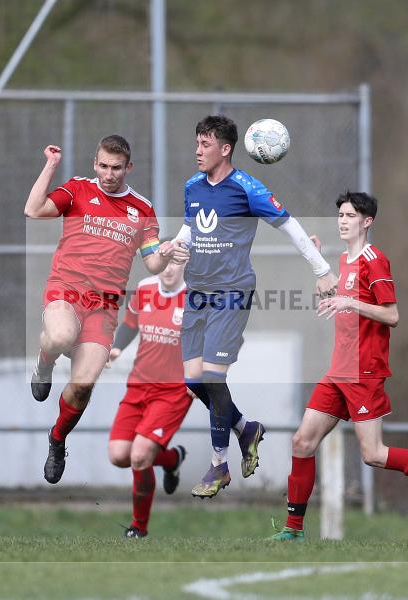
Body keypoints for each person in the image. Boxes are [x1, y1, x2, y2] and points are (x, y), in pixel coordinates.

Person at [269, 191, 408, 541]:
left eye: (350, 215)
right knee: (302, 442)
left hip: (364, 371)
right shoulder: (345, 261)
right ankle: (293, 531)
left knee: (374, 454)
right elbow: (337, 300)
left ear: (367, 222)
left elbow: (392, 315)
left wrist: (349, 301)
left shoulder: (374, 259)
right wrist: (318, 265)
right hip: (338, 370)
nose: (342, 220)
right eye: (340, 214)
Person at [168, 115, 338, 498]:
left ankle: (218, 465)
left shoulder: (247, 188)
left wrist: (322, 270)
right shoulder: (193, 185)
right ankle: (245, 427)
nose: (197, 150)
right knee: (194, 379)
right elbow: (192, 227)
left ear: (226, 149)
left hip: (231, 293)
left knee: (212, 377)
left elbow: (289, 224)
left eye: (205, 145)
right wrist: (176, 245)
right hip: (197, 292)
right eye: (196, 143)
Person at [23, 135, 178, 484]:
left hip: (104, 308)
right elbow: (33, 210)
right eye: (104, 166)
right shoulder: (77, 190)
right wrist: (50, 166)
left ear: (128, 168)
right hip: (67, 290)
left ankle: (57, 439)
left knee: (82, 387)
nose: (109, 174)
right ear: (95, 164)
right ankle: (43, 364)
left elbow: (152, 263)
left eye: (117, 168)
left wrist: (167, 252)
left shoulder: (142, 209)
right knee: (61, 336)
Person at [106, 260, 192, 538]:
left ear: (186, 266)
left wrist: (200, 376)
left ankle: (138, 528)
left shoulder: (196, 298)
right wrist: (117, 348)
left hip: (173, 392)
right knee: (120, 456)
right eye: (162, 262)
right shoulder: (144, 289)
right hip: (138, 386)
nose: (168, 269)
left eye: (175, 263)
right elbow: (130, 324)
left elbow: (212, 339)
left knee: (140, 456)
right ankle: (170, 459)